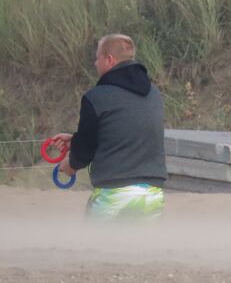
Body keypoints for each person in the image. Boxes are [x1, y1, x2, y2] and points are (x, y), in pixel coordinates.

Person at [50, 34, 167, 220]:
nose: (95, 63)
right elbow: (125, 132)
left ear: (109, 60)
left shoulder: (96, 97)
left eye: (97, 58)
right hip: (152, 192)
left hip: (113, 191)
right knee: (144, 246)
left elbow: (86, 148)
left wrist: (72, 165)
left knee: (99, 246)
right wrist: (75, 140)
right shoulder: (154, 94)